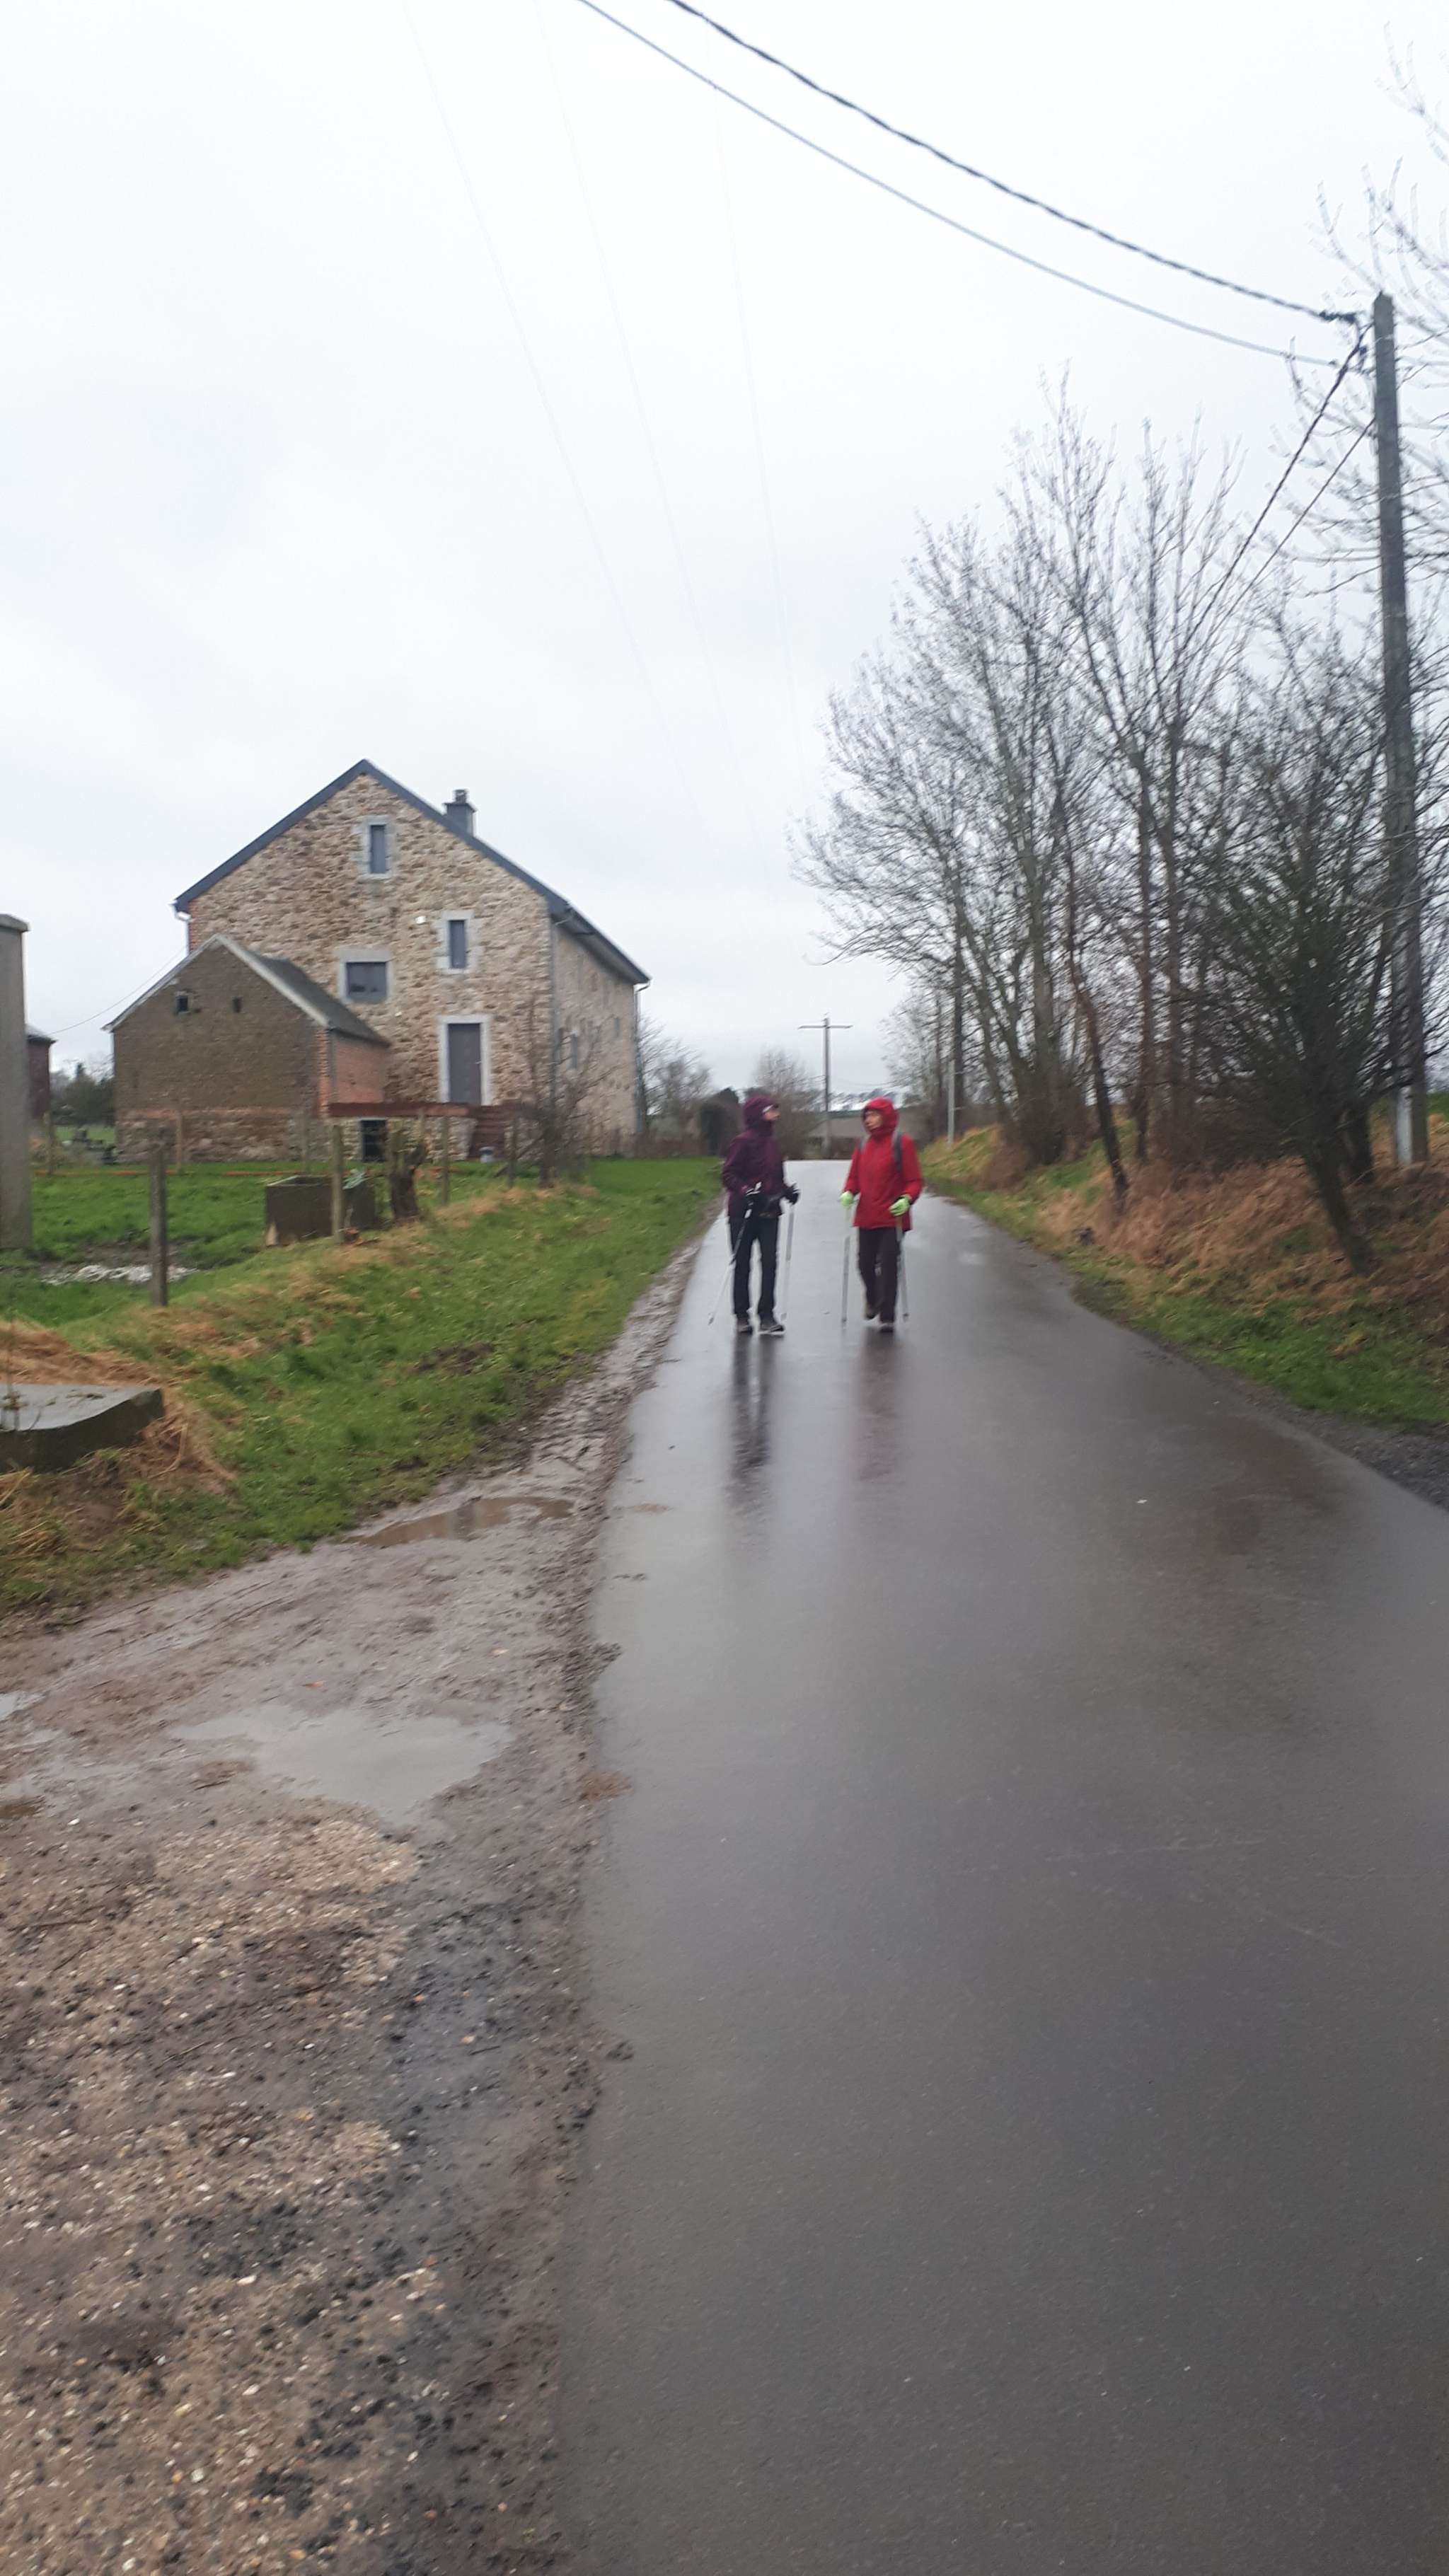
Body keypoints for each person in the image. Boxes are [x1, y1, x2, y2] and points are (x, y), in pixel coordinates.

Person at [841, 1094, 923, 1331]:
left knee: (888, 1265)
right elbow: (854, 1177)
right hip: (866, 1216)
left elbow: (915, 1181)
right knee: (864, 1264)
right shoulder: (863, 1145)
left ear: (886, 1116)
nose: (869, 1120)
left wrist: (907, 1199)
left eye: (874, 1115)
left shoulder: (902, 1143)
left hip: (892, 1216)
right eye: (866, 1116)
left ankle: (887, 1316)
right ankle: (872, 1296)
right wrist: (849, 1192)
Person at [721, 1092, 799, 1337]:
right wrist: (745, 1191)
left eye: (775, 1111)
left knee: (769, 1263)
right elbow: (728, 1175)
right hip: (743, 1213)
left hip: (769, 1211)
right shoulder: (741, 1142)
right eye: (771, 1111)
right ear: (758, 1114)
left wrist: (788, 1191)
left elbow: (776, 1177)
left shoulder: (773, 1143)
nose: (776, 1115)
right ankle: (742, 1316)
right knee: (742, 1264)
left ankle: (767, 1315)